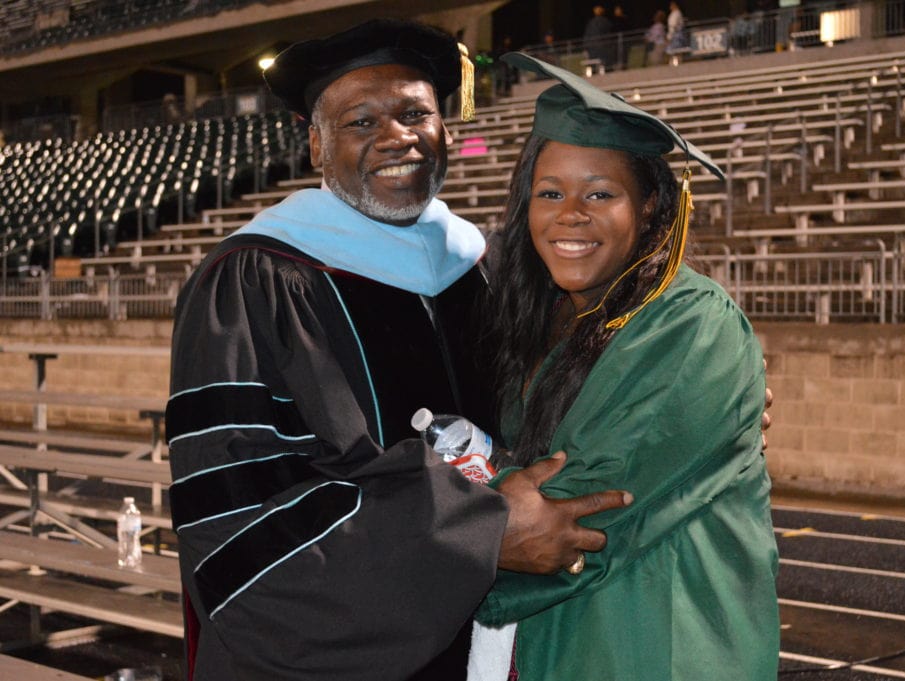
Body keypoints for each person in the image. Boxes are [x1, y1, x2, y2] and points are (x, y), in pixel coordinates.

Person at [165, 20, 631, 681]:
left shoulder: (488, 266)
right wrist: (482, 536)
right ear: (316, 146)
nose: (397, 136)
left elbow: (572, 401)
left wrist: (707, 395)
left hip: (491, 648)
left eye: (417, 113)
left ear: (445, 129)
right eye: (361, 121)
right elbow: (244, 532)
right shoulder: (254, 281)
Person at [469, 52, 780, 681]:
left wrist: (435, 532)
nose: (570, 213)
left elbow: (571, 513)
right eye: (549, 192)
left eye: (601, 193)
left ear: (649, 210)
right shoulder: (543, 323)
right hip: (556, 649)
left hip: (656, 646)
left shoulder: (691, 324)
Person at [582, 5, 615, 70]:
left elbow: (609, 34)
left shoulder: (605, 22)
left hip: (602, 48)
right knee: (593, 65)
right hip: (594, 48)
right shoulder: (592, 23)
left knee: (603, 64)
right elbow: (587, 35)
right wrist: (585, 47)